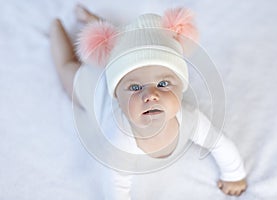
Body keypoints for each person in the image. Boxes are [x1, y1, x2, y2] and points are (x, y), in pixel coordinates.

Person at [50, 4, 247, 198]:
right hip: (94, 86)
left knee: (118, 45)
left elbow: (218, 142)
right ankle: (55, 25)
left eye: (163, 83)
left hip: (118, 66)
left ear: (180, 87)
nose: (151, 95)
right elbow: (115, 185)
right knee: (68, 68)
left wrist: (234, 174)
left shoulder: (189, 119)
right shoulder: (120, 141)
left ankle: (97, 24)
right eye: (135, 88)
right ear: (118, 97)